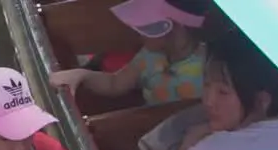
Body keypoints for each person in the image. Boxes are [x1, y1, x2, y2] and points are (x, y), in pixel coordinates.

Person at [49, 0, 209, 107]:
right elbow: (115, 83)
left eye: (147, 25)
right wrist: (81, 74)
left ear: (173, 28)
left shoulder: (209, 63)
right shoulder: (149, 56)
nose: (139, 35)